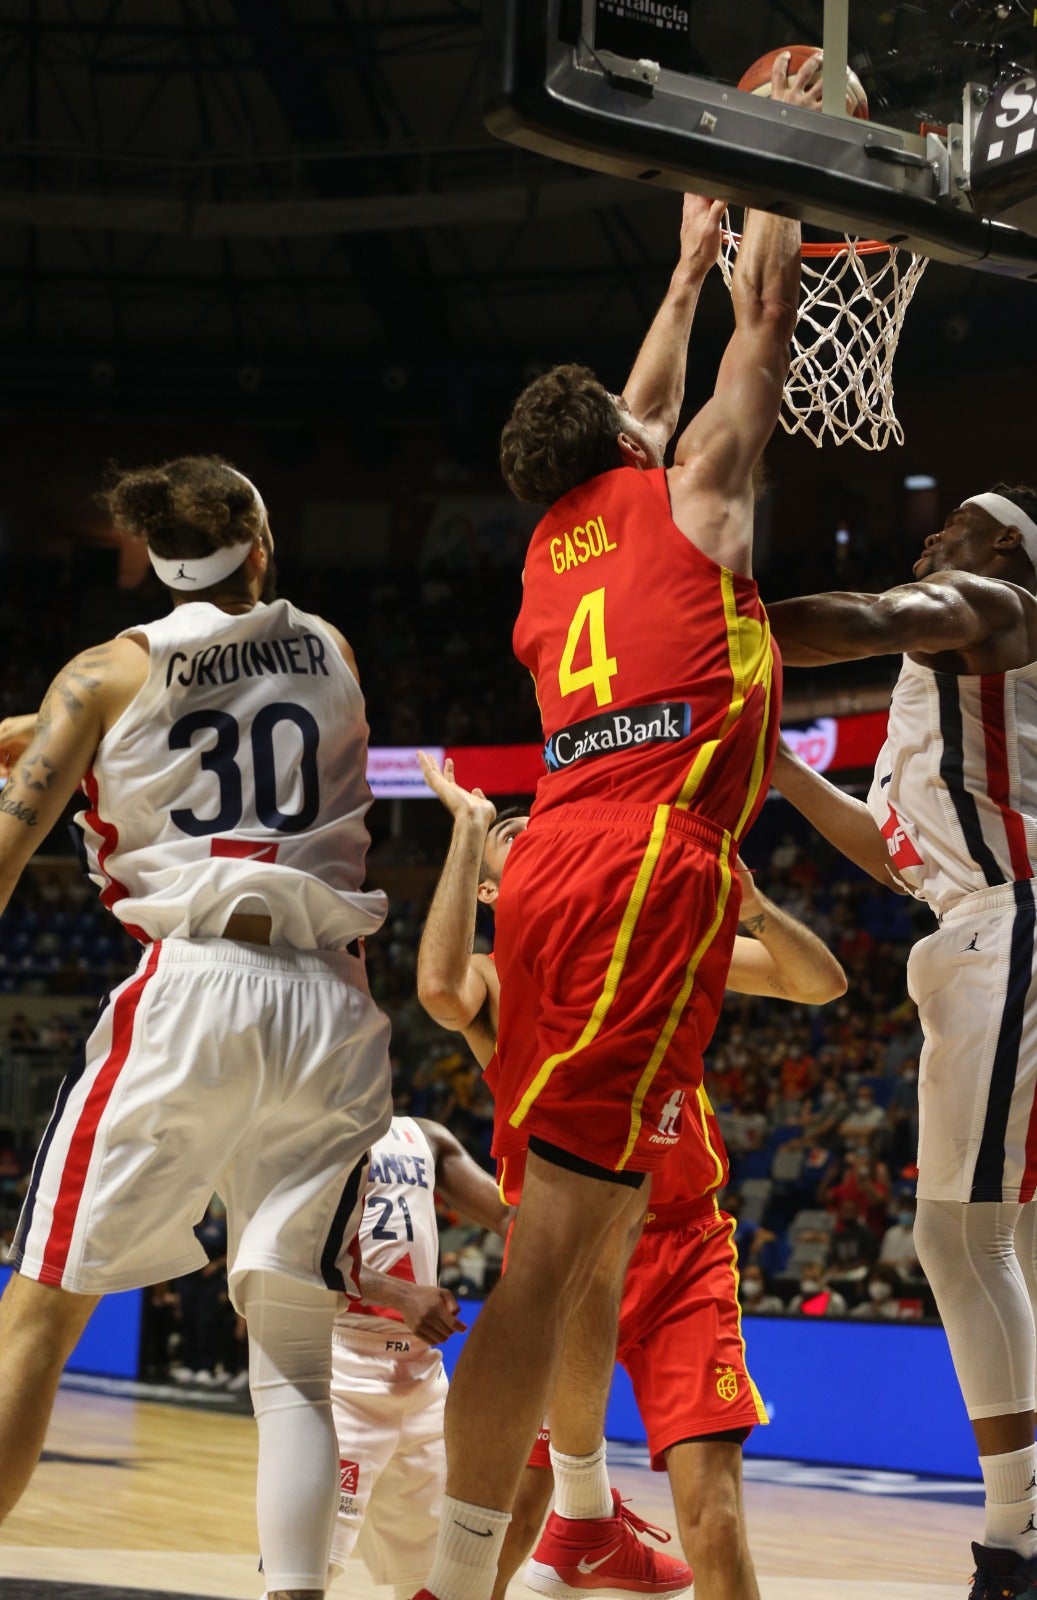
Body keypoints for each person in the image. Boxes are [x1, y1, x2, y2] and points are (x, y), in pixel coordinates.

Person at [409, 51, 825, 1600]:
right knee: (549, 1252)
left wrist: (682, 261)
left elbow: (649, 392)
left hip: (564, 858)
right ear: (632, 451)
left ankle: (570, 1510)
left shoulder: (548, 550)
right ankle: (463, 1572)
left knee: (590, 1219)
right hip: (648, 862)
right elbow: (765, 344)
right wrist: (785, 183)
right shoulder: (696, 498)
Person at [0, 454, 394, 1600]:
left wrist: (53, 734)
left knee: (39, 1313)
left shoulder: (97, 677)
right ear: (258, 547)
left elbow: (31, 820)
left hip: (196, 991)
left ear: (149, 557)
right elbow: (206, 687)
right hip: (329, 1003)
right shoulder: (331, 646)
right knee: (294, 1359)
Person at [415, 749, 846, 1600]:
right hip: (561, 1254)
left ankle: (589, 1526)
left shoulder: (655, 946)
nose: (526, 828)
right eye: (508, 833)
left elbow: (819, 984)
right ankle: (551, 1542)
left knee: (713, 1519)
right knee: (515, 1509)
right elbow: (438, 990)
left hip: (683, 1247)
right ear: (494, 891)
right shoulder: (497, 979)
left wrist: (753, 910)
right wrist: (467, 833)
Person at [767, 483, 1037, 1598]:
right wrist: (780, 775)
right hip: (970, 922)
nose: (933, 539)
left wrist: (715, 613)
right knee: (1002, 1238)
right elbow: (890, 855)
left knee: (957, 1241)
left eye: (956, 529)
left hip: (1008, 922)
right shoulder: (938, 705)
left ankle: (1014, 1538)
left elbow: (873, 618)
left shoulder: (998, 602)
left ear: (1007, 548)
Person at [329, 1115, 509, 1597]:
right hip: (344, 1363)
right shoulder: (315, 1123)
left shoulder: (424, 1134)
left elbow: (510, 1218)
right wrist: (405, 1296)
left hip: (423, 1374)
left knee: (430, 1576)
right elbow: (297, 1253)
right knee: (308, 1567)